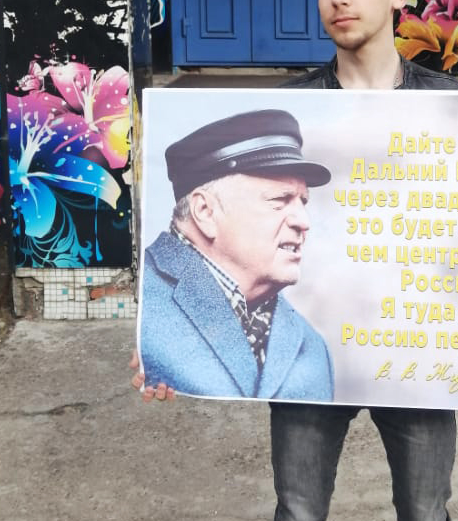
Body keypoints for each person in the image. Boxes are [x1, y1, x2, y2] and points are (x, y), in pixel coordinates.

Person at [132, 0, 458, 521]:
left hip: (419, 353)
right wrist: (160, 346)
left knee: (425, 519)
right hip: (319, 357)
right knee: (298, 518)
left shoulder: (454, 104)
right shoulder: (296, 108)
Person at [137, 109, 335, 401]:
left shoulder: (312, 346)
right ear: (205, 212)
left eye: (302, 201)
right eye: (280, 200)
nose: (303, 222)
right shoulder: (141, 305)